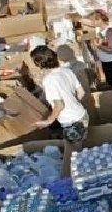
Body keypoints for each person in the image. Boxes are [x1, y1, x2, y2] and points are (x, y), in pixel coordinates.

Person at [30, 46, 88, 177]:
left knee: (71, 159)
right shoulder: (67, 71)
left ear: (39, 64)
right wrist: (73, 104)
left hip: (71, 122)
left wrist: (48, 121)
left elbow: (59, 105)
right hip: (82, 115)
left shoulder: (49, 80)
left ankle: (71, 184)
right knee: (78, 152)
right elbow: (81, 92)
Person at [90, 10, 112, 88]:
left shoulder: (109, 31)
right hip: (106, 61)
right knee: (110, 83)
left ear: (100, 20)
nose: (92, 22)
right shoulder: (98, 29)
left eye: (94, 20)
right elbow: (100, 41)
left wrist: (98, 46)